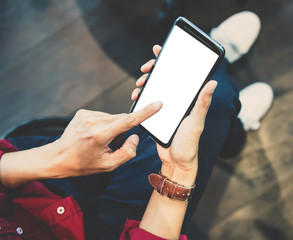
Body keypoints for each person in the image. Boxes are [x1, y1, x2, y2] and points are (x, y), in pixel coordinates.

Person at [0, 11, 273, 240]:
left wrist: (56, 158)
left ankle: (223, 99)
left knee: (176, 105)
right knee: (215, 104)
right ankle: (228, 109)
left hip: (33, 177)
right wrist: (179, 170)